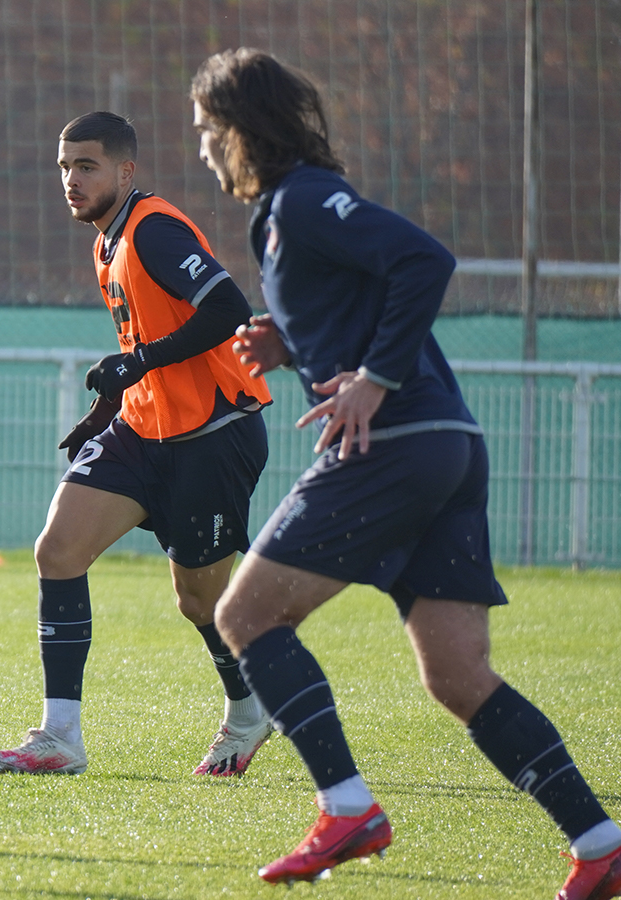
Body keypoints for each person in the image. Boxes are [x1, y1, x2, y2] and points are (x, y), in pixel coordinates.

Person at [190, 47, 621, 897]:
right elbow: (359, 303)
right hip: (445, 446)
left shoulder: (303, 198)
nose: (202, 146)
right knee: (458, 675)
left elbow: (425, 260)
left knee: (243, 614)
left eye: (209, 129)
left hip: (398, 442)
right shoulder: (282, 214)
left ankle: (347, 809)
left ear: (243, 129)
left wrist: (375, 379)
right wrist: (290, 344)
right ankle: (602, 844)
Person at [0, 111, 274, 778]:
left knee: (199, 602)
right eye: (64, 167)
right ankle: (60, 737)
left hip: (213, 434)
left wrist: (137, 363)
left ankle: (250, 708)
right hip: (143, 428)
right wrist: (109, 405)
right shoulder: (105, 244)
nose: (71, 180)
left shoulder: (153, 229)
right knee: (58, 550)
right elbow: (145, 345)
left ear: (125, 171)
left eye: (86, 166)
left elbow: (228, 309)